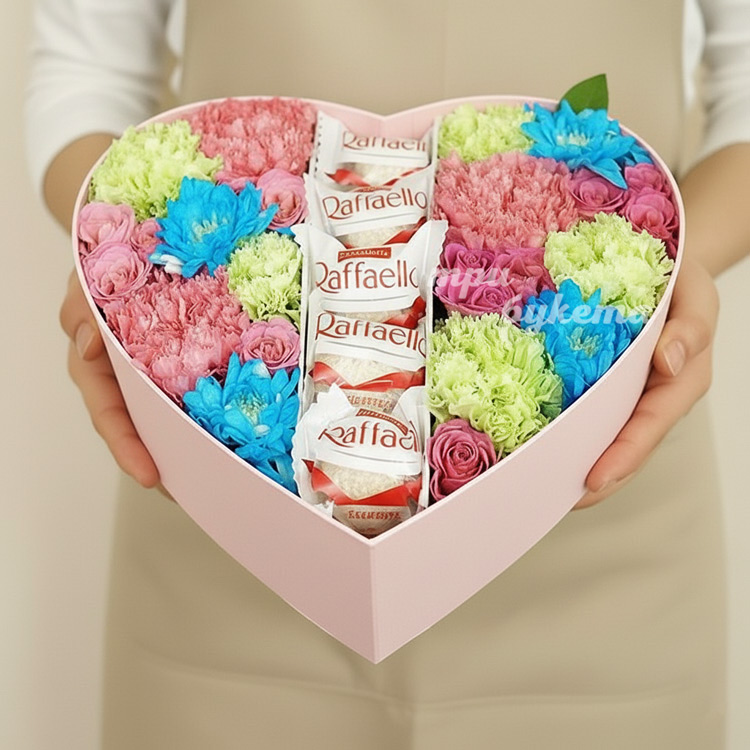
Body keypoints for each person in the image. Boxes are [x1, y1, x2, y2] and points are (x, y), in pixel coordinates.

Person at [26, 0, 750, 747]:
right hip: (232, 526)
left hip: (599, 539)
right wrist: (114, 264)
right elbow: (86, 75)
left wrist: (677, 270)